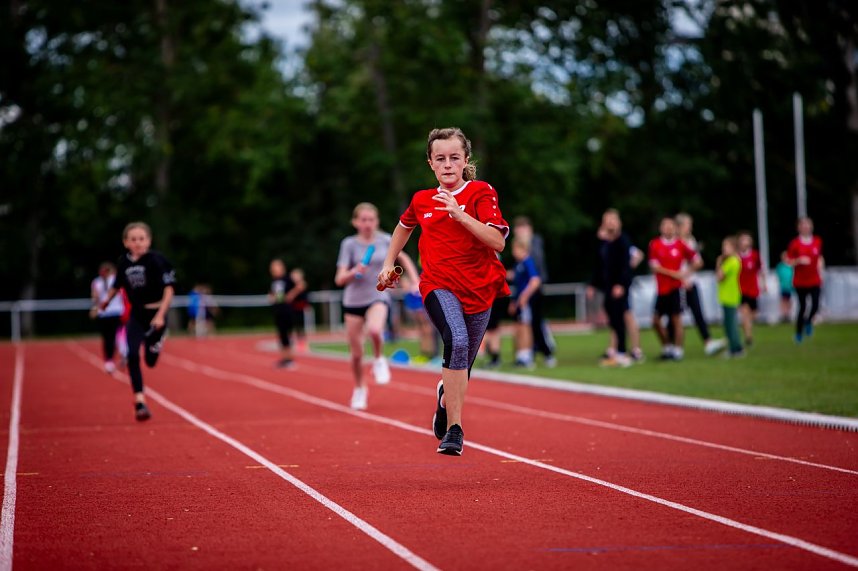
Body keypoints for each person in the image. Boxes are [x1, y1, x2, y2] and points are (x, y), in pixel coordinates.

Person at [379, 127, 510, 456]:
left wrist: (460, 214)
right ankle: (455, 429)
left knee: (462, 363)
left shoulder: (481, 192)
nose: (448, 164)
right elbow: (403, 226)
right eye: (441, 159)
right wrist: (388, 261)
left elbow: (498, 242)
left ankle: (443, 397)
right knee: (457, 341)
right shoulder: (422, 199)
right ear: (431, 163)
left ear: (465, 160)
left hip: (480, 290)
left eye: (454, 157)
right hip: (438, 284)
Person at [336, 203, 418, 411]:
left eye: (371, 219)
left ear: (377, 221)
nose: (367, 224)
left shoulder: (384, 241)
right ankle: (360, 388)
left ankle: (380, 359)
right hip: (353, 301)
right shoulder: (349, 245)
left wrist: (415, 280)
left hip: (378, 295)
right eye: (363, 220)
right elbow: (339, 279)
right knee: (356, 354)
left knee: (375, 330)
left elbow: (403, 257)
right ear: (355, 222)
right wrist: (355, 270)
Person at [100, 222, 175, 421]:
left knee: (150, 361)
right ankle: (140, 401)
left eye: (141, 239)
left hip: (156, 313)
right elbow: (117, 285)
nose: (138, 243)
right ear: (126, 242)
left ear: (148, 241)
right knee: (132, 354)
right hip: (137, 315)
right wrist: (106, 301)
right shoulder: (123, 262)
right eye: (133, 239)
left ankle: (156, 344)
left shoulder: (157, 261)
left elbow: (169, 290)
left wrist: (160, 315)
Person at [648, 216, 702, 361]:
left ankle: (678, 350)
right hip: (661, 289)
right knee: (655, 321)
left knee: (676, 318)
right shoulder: (655, 244)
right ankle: (667, 346)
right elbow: (655, 267)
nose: (668, 228)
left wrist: (685, 273)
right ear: (661, 228)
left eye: (670, 225)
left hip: (676, 289)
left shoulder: (680, 244)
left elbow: (697, 261)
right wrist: (675, 274)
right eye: (665, 225)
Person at [588, 209, 636, 368]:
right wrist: (593, 285)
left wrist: (621, 284)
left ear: (618, 222)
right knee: (613, 317)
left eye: (612, 220)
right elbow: (599, 266)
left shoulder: (623, 241)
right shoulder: (605, 243)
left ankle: (623, 352)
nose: (609, 223)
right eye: (606, 220)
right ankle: (617, 351)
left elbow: (626, 266)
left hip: (619, 287)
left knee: (620, 317)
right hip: (608, 286)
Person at [675, 213, 725, 356]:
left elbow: (697, 262)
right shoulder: (676, 243)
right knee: (675, 316)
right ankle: (674, 345)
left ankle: (707, 342)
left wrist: (688, 273)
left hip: (691, 282)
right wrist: (682, 277)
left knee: (698, 313)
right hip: (678, 285)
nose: (689, 228)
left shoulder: (690, 241)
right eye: (687, 225)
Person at [785, 217, 824, 343]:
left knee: (816, 304)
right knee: (802, 307)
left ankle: (808, 321)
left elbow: (819, 257)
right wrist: (798, 260)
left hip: (814, 279)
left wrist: (821, 268)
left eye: (808, 225)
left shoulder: (817, 241)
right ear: (799, 228)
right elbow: (788, 261)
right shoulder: (794, 243)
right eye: (803, 225)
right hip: (800, 281)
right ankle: (798, 334)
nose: (806, 227)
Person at [268, 259, 305, 368]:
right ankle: (284, 358)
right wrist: (272, 297)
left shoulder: (287, 278)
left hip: (287, 310)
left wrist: (291, 295)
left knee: (288, 334)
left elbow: (301, 285)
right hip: (277, 310)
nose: (274, 269)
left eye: (276, 266)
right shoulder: (274, 281)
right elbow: (273, 294)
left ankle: (290, 358)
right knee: (281, 335)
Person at [90, 262, 125, 373]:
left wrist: (95, 308)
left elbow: (95, 298)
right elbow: (95, 297)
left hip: (110, 312)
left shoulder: (97, 282)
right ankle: (120, 354)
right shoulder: (114, 280)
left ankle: (110, 360)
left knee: (109, 337)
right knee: (115, 335)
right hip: (112, 312)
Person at [715, 236, 744, 358]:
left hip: (730, 296)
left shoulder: (732, 261)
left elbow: (720, 277)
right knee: (730, 323)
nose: (724, 249)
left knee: (730, 324)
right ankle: (735, 347)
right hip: (729, 296)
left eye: (726, 247)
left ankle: (735, 348)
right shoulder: (734, 260)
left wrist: (719, 262)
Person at [737, 231, 766, 347]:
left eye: (746, 240)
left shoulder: (755, 255)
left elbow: (760, 270)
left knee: (753, 314)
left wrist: (764, 284)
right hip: (741, 289)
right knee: (745, 314)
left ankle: (747, 328)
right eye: (742, 240)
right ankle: (748, 337)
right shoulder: (736, 256)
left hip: (753, 289)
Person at [289, 268, 310, 352]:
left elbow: (303, 294)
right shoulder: (291, 285)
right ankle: (294, 342)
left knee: (301, 326)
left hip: (300, 307)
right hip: (293, 307)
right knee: (293, 325)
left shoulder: (303, 284)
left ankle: (303, 343)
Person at [775, 252, 794, 323]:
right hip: (783, 286)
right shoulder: (780, 266)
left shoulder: (791, 266)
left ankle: (788, 314)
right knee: (783, 301)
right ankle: (784, 315)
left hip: (790, 287)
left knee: (789, 301)